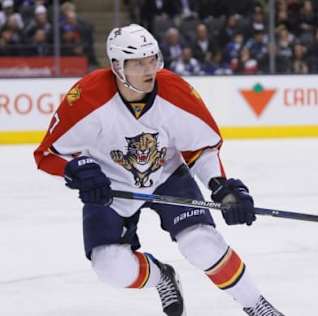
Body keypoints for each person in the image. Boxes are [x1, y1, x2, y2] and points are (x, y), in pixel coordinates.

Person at [33, 24, 284, 316]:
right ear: (117, 66)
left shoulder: (175, 91)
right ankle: (162, 276)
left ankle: (256, 304)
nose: (149, 69)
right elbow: (47, 153)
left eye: (152, 59)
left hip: (167, 175)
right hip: (113, 187)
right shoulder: (87, 96)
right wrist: (78, 168)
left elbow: (200, 148)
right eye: (138, 62)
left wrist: (221, 186)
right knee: (110, 266)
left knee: (201, 243)